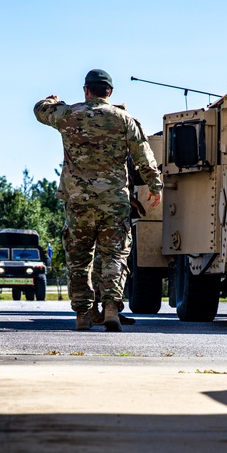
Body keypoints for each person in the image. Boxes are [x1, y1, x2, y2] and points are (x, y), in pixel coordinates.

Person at [34, 69, 162, 331]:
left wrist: (51, 99)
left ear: (86, 90)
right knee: (115, 256)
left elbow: (39, 110)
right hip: (114, 201)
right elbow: (143, 155)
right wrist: (154, 185)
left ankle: (83, 314)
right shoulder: (124, 119)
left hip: (79, 201)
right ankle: (111, 308)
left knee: (79, 259)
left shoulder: (68, 114)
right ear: (110, 92)